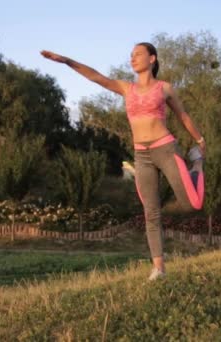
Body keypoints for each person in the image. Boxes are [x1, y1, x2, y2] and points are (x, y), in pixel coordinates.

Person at [41, 42, 206, 281]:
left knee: (193, 204)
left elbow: (183, 115)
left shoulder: (165, 88)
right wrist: (66, 60)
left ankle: (196, 166)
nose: (133, 58)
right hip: (142, 155)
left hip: (166, 150)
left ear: (152, 59)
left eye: (138, 54)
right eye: (131, 55)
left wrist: (199, 140)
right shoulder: (126, 88)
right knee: (151, 212)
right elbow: (96, 77)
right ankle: (159, 268)